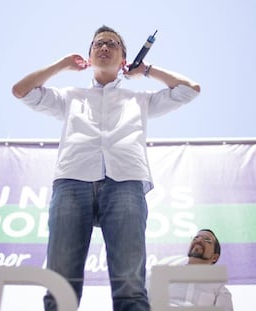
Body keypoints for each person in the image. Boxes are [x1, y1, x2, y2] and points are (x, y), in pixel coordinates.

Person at [12, 25, 200, 311]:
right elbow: (21, 90)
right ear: (88, 55)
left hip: (125, 181)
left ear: (124, 58)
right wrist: (63, 64)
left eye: (112, 44)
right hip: (72, 181)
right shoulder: (70, 96)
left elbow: (190, 90)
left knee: (130, 284)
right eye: (98, 43)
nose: (104, 47)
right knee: (60, 282)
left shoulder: (140, 100)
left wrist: (147, 70)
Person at [166, 229, 234, 309]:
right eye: (195, 238)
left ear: (215, 257)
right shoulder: (166, 275)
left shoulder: (219, 290)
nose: (199, 240)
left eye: (207, 240)